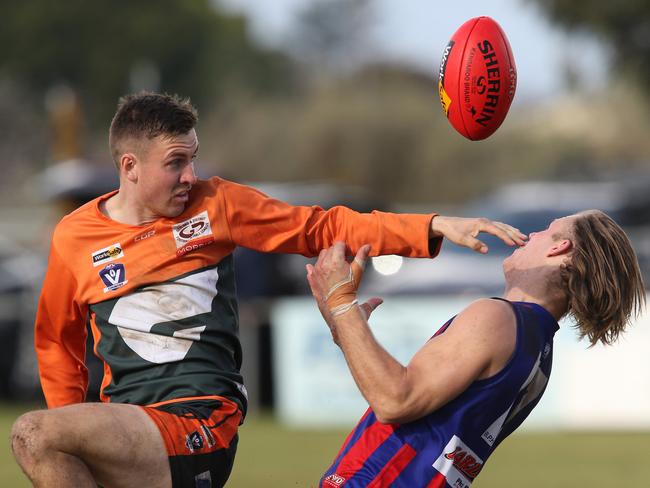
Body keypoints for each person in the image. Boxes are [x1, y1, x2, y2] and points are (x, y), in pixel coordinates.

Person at [9, 92, 526, 488]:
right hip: (125, 427)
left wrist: (429, 226)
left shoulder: (219, 206)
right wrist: (75, 422)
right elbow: (56, 342)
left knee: (34, 435)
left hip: (199, 418)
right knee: (51, 438)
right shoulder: (75, 237)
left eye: (194, 158)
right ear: (130, 167)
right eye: (175, 163)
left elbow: (321, 227)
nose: (192, 175)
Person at [306, 210, 645, 487]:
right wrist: (346, 327)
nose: (533, 235)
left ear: (559, 249)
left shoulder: (497, 317)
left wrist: (342, 300)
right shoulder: (538, 348)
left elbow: (396, 400)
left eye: (546, 229)